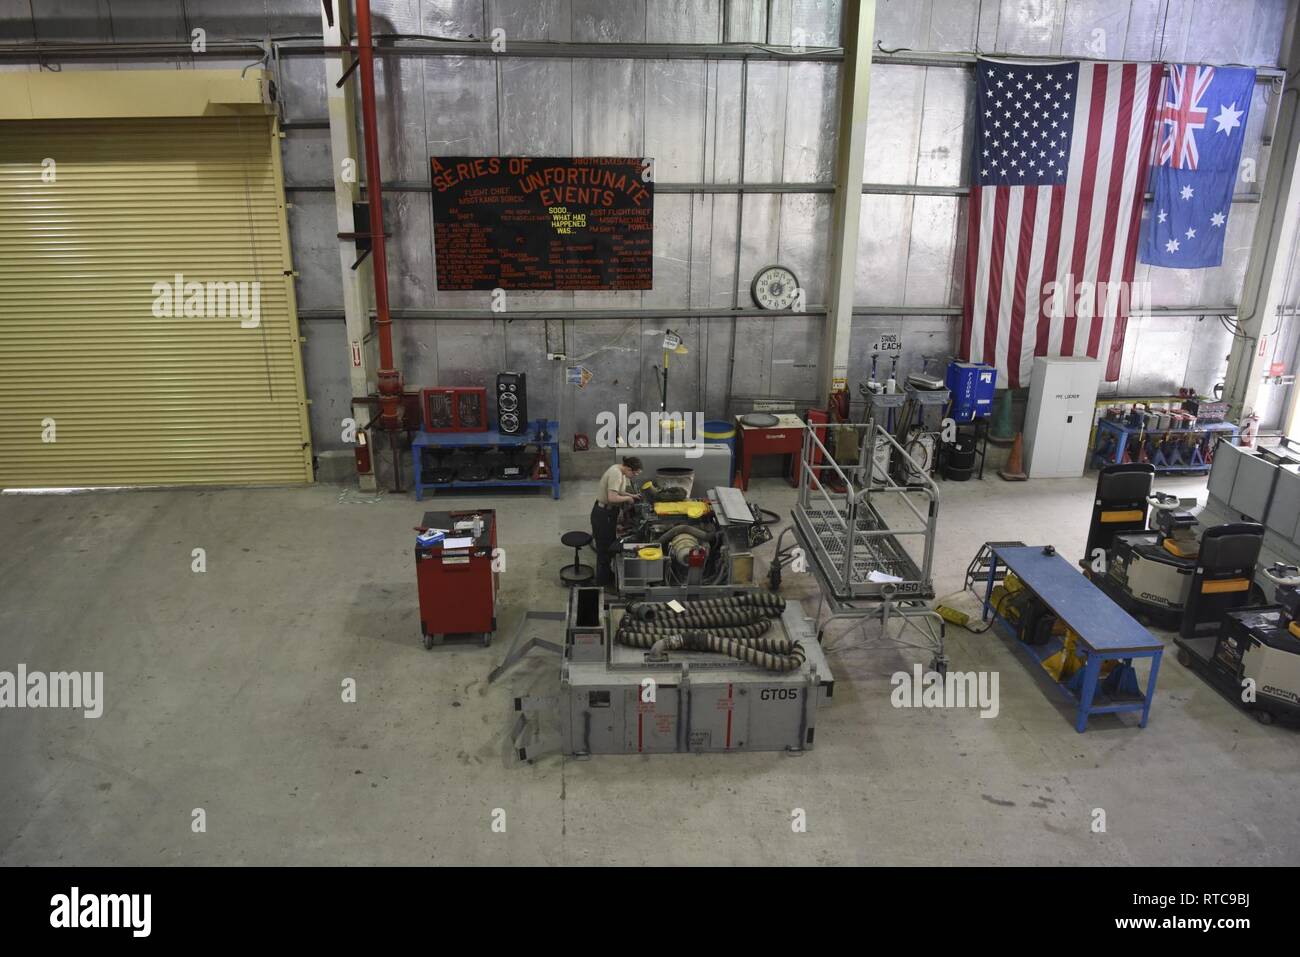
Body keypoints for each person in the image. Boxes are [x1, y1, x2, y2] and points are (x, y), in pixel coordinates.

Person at [591, 456, 642, 589]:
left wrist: (632, 496)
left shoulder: (620, 471)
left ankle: (607, 577)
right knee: (605, 549)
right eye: (634, 473)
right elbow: (612, 497)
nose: (634, 476)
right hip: (603, 514)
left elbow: (619, 491)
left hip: (609, 513)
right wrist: (628, 499)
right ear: (629, 468)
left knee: (609, 545)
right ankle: (603, 584)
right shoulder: (616, 474)